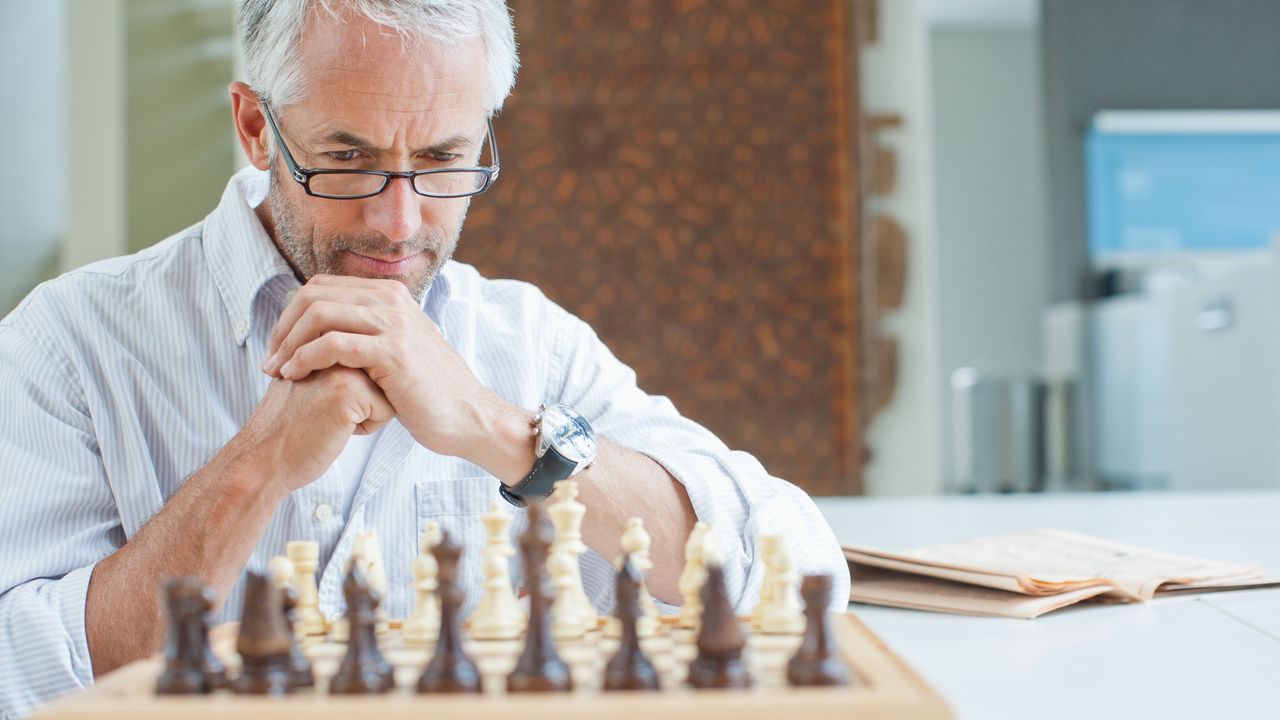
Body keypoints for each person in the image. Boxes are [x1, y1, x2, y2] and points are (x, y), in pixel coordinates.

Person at [0, 1, 849, 716]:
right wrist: (255, 471)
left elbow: (800, 571)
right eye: (349, 159)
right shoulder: (71, 343)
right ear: (257, 128)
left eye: (443, 160)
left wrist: (499, 430)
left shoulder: (528, 344)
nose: (400, 224)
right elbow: (16, 674)